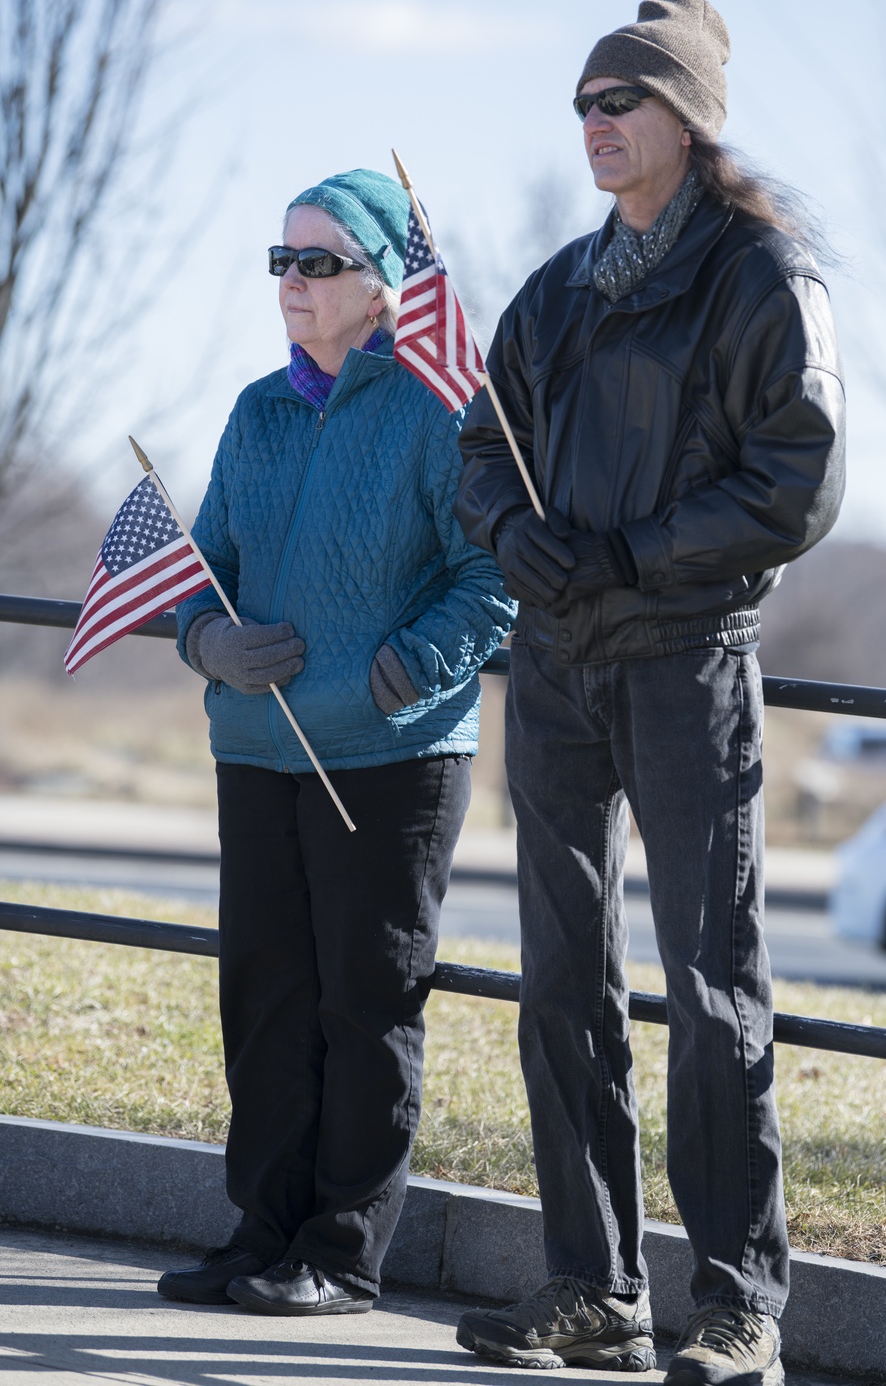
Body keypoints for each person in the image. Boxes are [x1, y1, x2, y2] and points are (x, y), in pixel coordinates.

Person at [454, 0, 845, 1382]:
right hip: (556, 666)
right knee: (559, 977)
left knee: (711, 984)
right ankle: (591, 1287)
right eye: (583, 105)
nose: (596, 124)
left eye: (620, 102)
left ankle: (740, 1308)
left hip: (688, 659)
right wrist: (520, 541)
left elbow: (798, 485)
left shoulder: (760, 276)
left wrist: (627, 553)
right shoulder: (556, 287)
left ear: (688, 119)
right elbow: (478, 449)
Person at [157, 169, 514, 1316]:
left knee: (366, 1002)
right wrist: (208, 639)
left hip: (395, 755)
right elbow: (199, 568)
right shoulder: (258, 407)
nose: (293, 285)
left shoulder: (438, 405)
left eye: (319, 263)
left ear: (380, 283)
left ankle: (341, 1254)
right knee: (264, 996)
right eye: (282, 262)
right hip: (259, 750)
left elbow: (492, 573)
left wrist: (415, 664)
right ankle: (259, 1234)